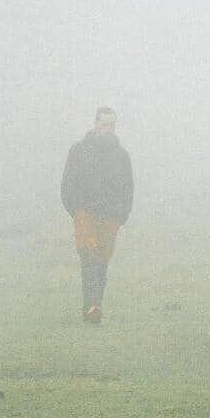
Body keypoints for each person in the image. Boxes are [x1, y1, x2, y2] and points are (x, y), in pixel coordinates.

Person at [61, 107, 133, 325]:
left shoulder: (122, 156)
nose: (108, 129)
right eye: (104, 124)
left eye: (112, 125)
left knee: (102, 262)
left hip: (111, 217)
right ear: (95, 123)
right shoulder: (78, 151)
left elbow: (129, 188)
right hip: (85, 213)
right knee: (89, 258)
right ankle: (92, 306)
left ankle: (95, 305)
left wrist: (122, 215)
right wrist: (75, 209)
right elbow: (67, 184)